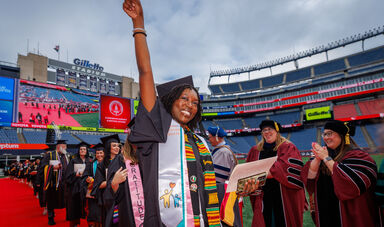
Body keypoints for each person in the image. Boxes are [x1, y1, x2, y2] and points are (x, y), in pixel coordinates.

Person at [122, 1, 258, 226]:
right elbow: (145, 72)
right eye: (184, 98)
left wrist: (239, 192)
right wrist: (139, 25)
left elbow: (208, 190)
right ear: (170, 101)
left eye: (195, 102)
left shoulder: (201, 142)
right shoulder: (158, 129)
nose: (189, 105)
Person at [301, 120, 380, 226]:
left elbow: (351, 185)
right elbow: (309, 178)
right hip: (327, 214)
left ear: (342, 136)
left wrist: (326, 158)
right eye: (324, 134)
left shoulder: (359, 156)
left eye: (329, 133)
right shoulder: (325, 156)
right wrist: (318, 159)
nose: (325, 137)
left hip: (351, 216)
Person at [247, 120, 305, 227]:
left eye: (270, 129)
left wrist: (260, 174)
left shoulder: (288, 147)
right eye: (264, 130)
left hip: (284, 194)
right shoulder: (255, 150)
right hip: (263, 195)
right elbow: (248, 171)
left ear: (277, 131)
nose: (267, 132)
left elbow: (286, 170)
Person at [104, 133, 144, 227]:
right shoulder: (120, 160)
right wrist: (114, 183)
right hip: (128, 210)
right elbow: (110, 193)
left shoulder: (150, 159)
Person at [91, 134, 121, 226]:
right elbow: (98, 185)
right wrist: (113, 181)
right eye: (114, 146)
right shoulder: (102, 164)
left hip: (121, 197)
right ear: (108, 147)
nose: (117, 148)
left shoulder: (123, 161)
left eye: (118, 146)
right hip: (108, 199)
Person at [40, 140, 69, 225]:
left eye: (65, 146)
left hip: (64, 183)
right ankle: (51, 218)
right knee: (51, 201)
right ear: (58, 147)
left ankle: (68, 216)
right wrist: (52, 167)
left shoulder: (66, 156)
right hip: (52, 182)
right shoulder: (50, 155)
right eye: (63, 146)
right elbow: (42, 167)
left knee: (67, 201)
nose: (65, 148)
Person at [65, 142, 92, 227]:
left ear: (87, 150)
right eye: (81, 149)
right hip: (75, 187)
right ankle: (75, 223)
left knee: (88, 206)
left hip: (86, 186)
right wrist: (75, 174)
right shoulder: (73, 160)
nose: (82, 151)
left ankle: (90, 223)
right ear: (78, 150)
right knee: (74, 206)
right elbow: (67, 175)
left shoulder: (90, 161)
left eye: (84, 149)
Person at [84, 143, 105, 227]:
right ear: (95, 154)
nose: (99, 155)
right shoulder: (92, 164)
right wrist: (87, 178)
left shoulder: (108, 164)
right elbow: (85, 175)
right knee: (94, 211)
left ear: (104, 153)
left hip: (104, 191)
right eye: (97, 153)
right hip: (93, 192)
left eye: (101, 153)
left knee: (102, 211)